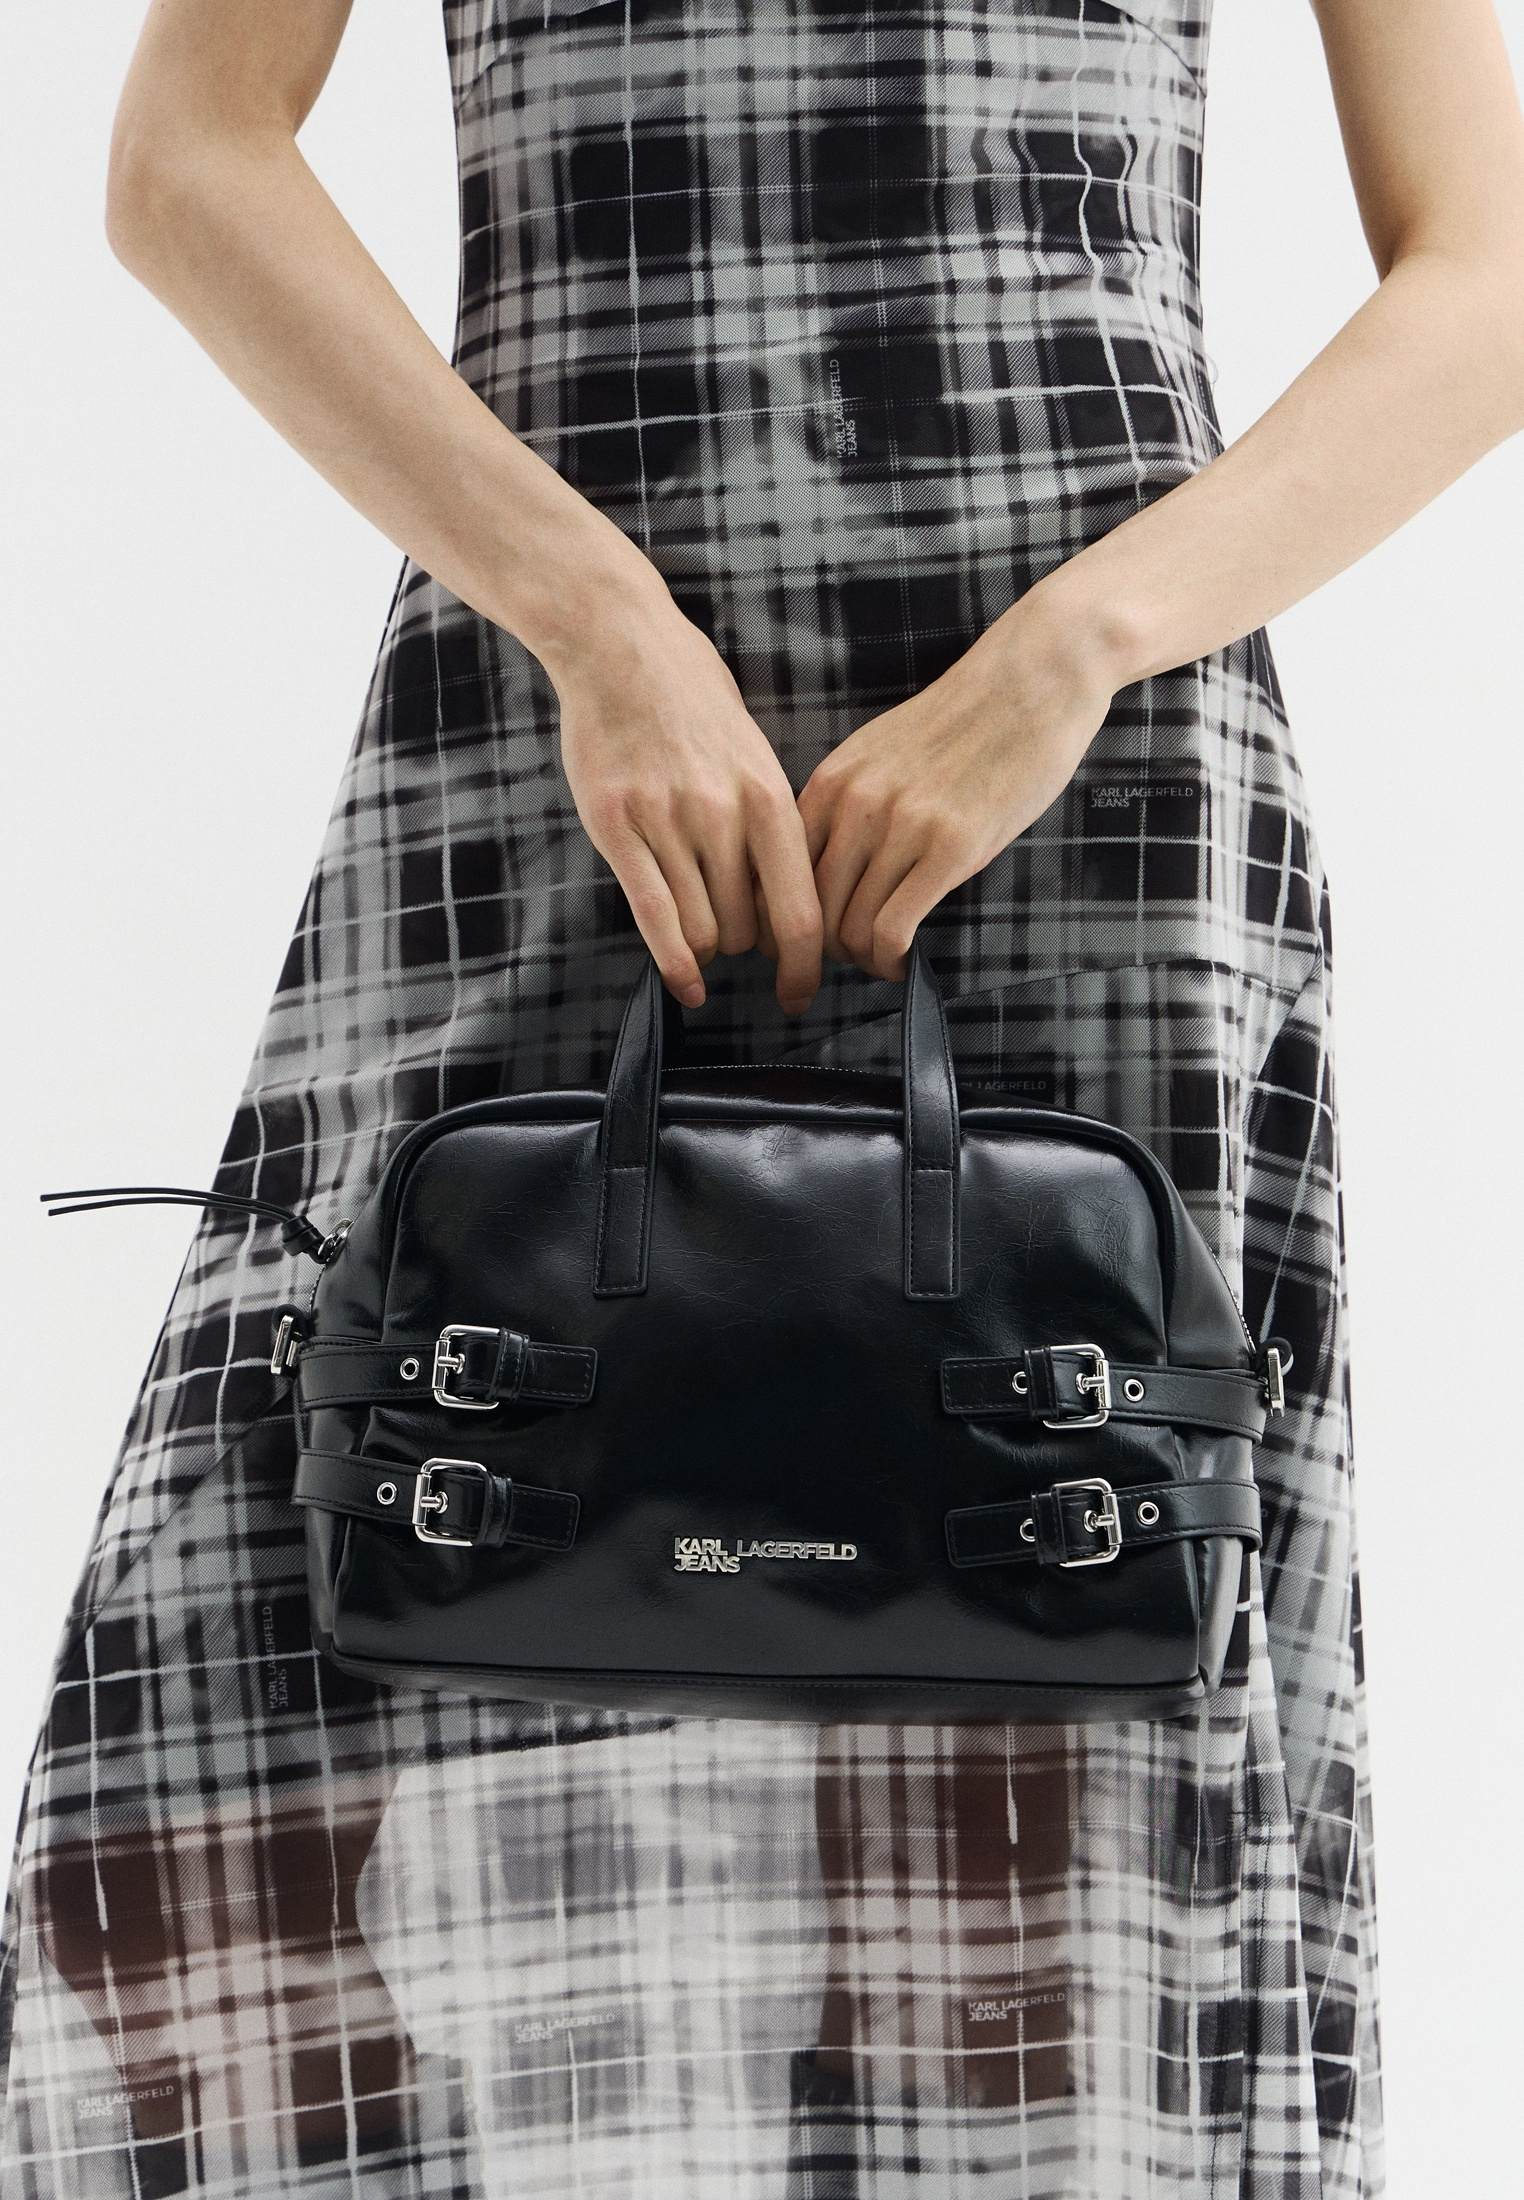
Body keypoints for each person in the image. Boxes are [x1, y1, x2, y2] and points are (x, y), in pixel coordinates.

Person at [4, 2, 1523, 2192]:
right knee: (250, 1676)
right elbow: (186, 162)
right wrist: (595, 618)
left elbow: (1483, 266)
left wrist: (1074, 653)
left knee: (1061, 1687)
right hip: (549, 721)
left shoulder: (1084, 685)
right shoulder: (571, 654)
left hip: (1091, 758)